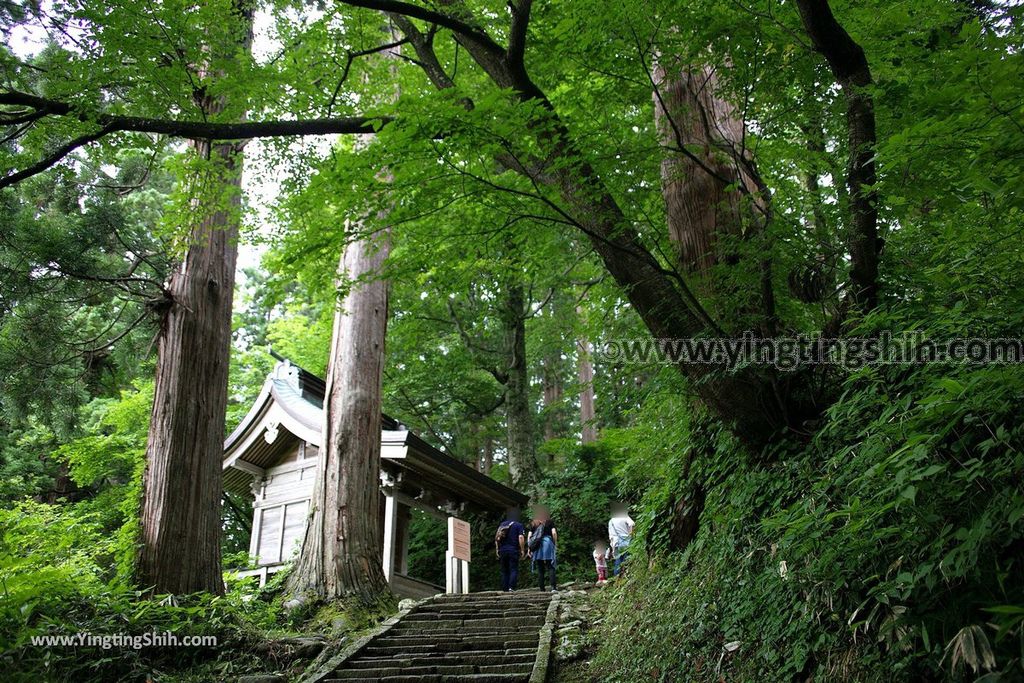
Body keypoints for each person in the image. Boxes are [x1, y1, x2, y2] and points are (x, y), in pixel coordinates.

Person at [495, 507, 526, 591]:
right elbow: (520, 537)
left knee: (504, 570)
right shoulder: (518, 525)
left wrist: (497, 550)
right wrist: (522, 550)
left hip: (503, 550)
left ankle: (505, 588)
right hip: (513, 550)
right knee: (513, 568)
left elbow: (497, 538)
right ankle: (511, 587)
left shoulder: (502, 524)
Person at [528, 506, 558, 591]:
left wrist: (529, 548)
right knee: (550, 566)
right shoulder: (549, 522)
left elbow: (530, 536)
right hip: (548, 543)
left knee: (540, 568)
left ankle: (542, 589)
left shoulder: (533, 523)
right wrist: (555, 544)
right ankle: (553, 587)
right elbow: (554, 533)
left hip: (537, 545)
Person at [608, 502, 634, 577]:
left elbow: (611, 536)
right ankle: (626, 576)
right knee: (627, 560)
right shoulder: (625, 516)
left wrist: (612, 548)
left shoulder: (611, 521)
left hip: (616, 543)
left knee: (618, 561)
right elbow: (632, 524)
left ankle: (616, 578)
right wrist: (630, 533)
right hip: (626, 541)